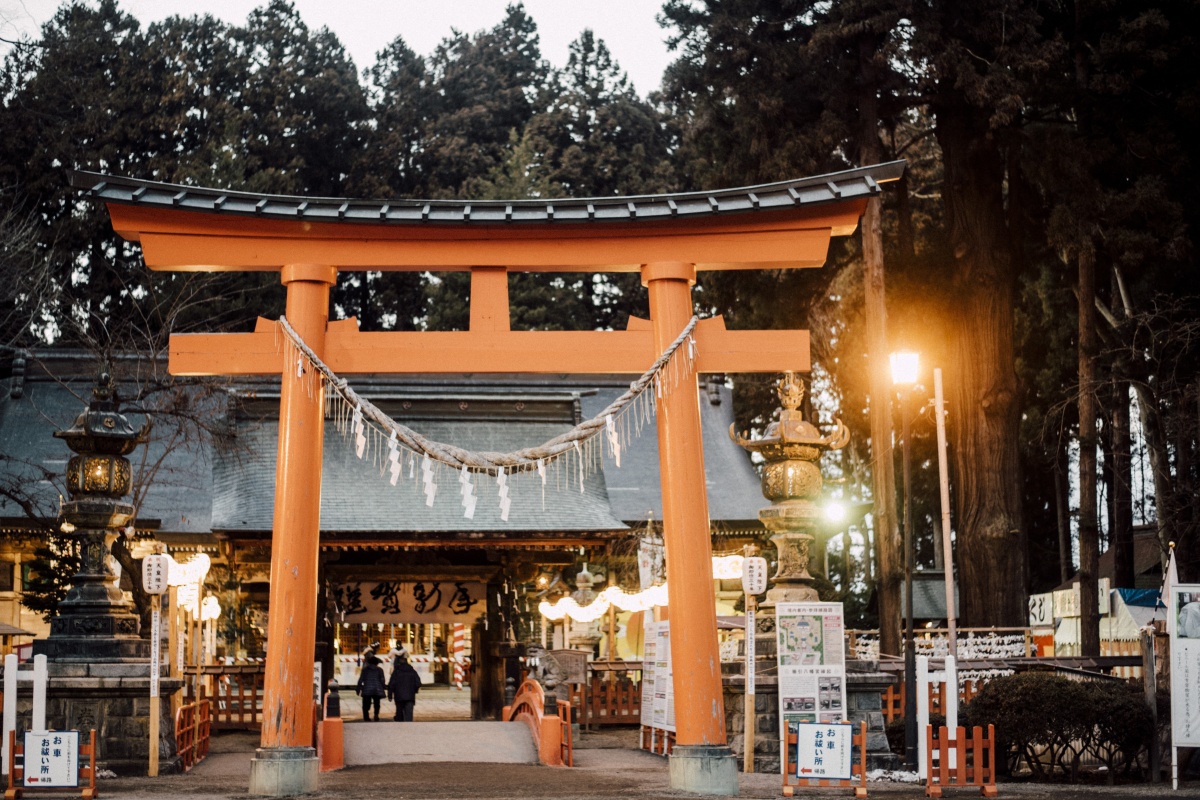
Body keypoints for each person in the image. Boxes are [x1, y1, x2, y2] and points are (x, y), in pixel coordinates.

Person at [387, 647, 421, 722]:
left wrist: (390, 694)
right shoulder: (412, 671)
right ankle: (409, 728)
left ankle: (400, 728)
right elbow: (418, 682)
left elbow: (391, 684)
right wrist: (415, 690)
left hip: (398, 696)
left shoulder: (396, 672)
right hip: (410, 696)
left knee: (399, 713)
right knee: (409, 714)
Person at [356, 650, 387, 721]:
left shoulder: (365, 670)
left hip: (367, 688)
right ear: (376, 663)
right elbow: (382, 680)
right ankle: (376, 714)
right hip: (377, 689)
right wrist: (384, 687)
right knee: (377, 703)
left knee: (366, 704)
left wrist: (358, 688)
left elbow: (361, 679)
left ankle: (366, 717)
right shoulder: (380, 670)